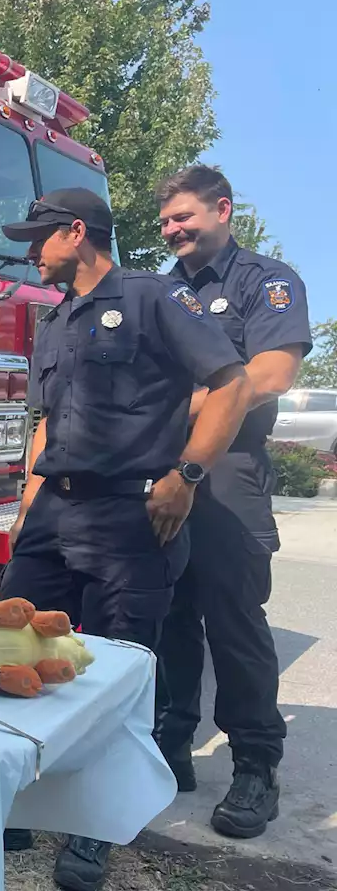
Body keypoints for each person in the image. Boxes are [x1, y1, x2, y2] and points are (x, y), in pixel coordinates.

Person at [0, 189, 253, 891]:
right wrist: (26, 509)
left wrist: (188, 474)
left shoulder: (151, 299)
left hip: (130, 516)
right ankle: (14, 801)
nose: (29, 252)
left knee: (114, 679)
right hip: (54, 511)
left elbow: (230, 382)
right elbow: (46, 423)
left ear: (76, 233)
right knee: (10, 651)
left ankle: (94, 832)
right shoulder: (53, 321)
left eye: (38, 238)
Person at [152, 166, 311, 838]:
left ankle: (255, 767)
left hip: (228, 473)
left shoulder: (264, 281)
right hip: (163, 469)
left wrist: (192, 406)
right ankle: (169, 747)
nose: (171, 230)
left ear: (222, 209)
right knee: (169, 615)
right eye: (164, 222)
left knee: (234, 620)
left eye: (183, 217)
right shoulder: (161, 293)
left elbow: (271, 372)